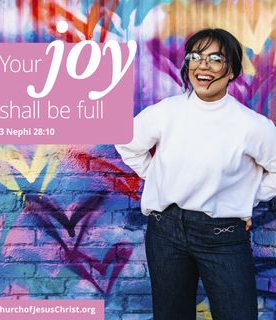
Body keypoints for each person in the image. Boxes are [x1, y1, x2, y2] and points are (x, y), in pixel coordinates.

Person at [115, 28, 276, 320]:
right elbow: (127, 143)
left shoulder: (252, 126)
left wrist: (249, 199)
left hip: (223, 236)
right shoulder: (167, 112)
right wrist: (158, 178)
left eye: (216, 59)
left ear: (231, 71)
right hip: (166, 233)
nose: (203, 65)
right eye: (195, 57)